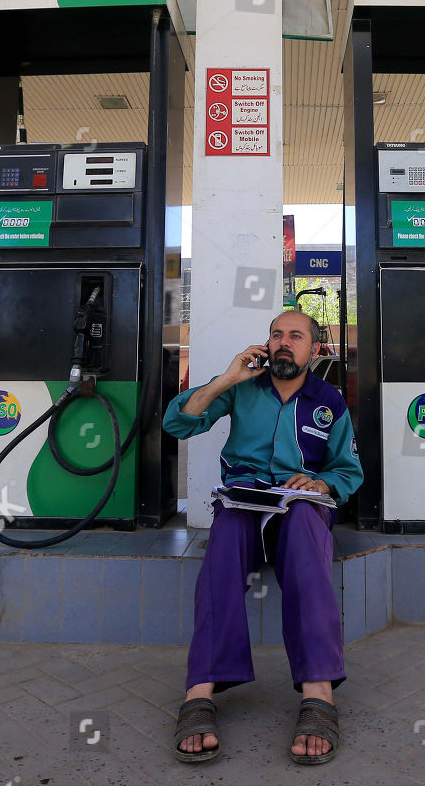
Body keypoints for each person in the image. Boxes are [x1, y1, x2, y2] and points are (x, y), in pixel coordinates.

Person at [162, 309, 362, 766]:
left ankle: (318, 694)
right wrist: (227, 378)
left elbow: (347, 470)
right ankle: (200, 692)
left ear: (315, 349)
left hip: (299, 505)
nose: (283, 343)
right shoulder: (241, 389)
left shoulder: (328, 400)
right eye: (276, 335)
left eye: (296, 336)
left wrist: (322, 484)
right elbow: (179, 423)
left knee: (307, 540)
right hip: (244, 501)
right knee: (224, 545)